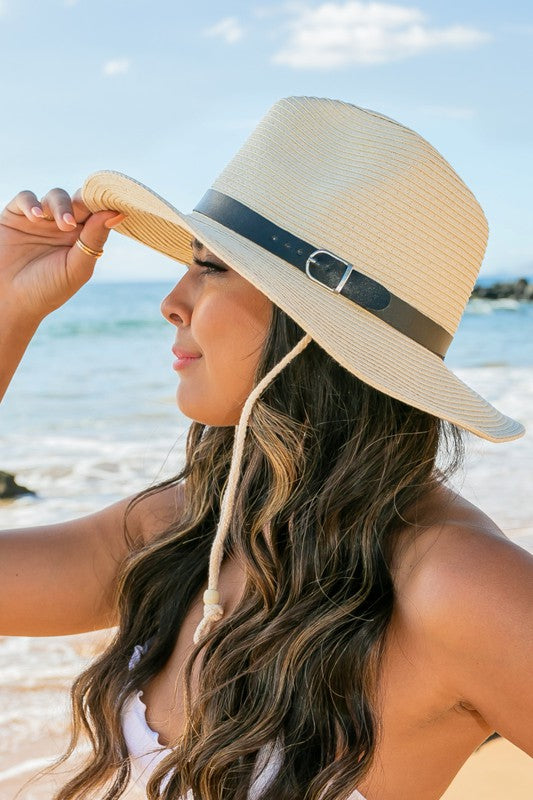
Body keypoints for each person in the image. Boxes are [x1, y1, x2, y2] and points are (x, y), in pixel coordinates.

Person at [0, 96, 531, 800]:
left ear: (313, 322)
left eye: (209, 266)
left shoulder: (454, 582)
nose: (172, 300)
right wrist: (8, 307)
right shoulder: (191, 528)